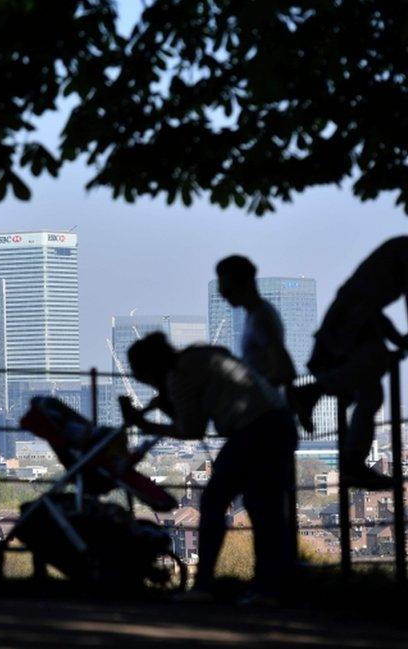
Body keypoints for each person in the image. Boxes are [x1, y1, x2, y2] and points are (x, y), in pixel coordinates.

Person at [120, 333, 297, 601]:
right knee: (266, 508)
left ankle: (204, 585)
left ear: (149, 369)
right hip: (280, 421)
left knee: (215, 501)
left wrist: (146, 425)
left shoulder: (177, 376)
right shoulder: (198, 355)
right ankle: (270, 586)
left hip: (252, 429)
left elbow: (192, 429)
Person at [290, 237, 408, 488]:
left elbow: (372, 308)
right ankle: (312, 393)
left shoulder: (396, 253)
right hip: (352, 322)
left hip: (356, 322)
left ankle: (353, 462)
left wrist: (398, 338)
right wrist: (398, 339)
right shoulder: (403, 252)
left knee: (371, 393)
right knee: (374, 370)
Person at [215, 255, 297, 389]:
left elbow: (285, 371)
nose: (222, 293)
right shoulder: (256, 315)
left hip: (267, 407)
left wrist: (250, 388)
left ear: (244, 283)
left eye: (227, 288)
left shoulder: (261, 318)